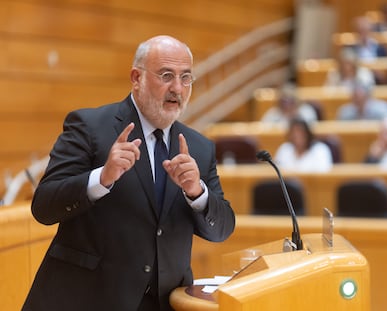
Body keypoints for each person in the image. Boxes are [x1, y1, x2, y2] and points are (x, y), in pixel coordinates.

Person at [22, 35, 235, 311]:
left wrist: (197, 192)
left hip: (162, 303)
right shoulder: (89, 126)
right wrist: (102, 178)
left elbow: (223, 228)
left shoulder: (199, 147)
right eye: (166, 75)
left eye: (186, 78)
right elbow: (44, 207)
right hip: (87, 299)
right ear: (137, 78)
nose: (177, 88)